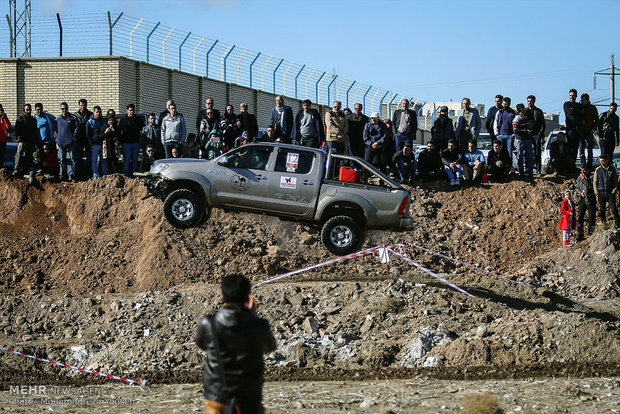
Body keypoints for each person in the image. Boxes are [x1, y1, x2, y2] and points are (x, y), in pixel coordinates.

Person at [195, 274, 276, 414]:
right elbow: (270, 347)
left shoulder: (209, 323)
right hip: (250, 399)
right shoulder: (260, 325)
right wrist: (252, 315)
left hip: (217, 397)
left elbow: (202, 344)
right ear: (248, 297)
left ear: (223, 298)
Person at [593, 154, 620, 229]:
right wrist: (596, 193)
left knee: (614, 209)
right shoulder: (597, 170)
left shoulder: (612, 170)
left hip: (609, 193)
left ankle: (618, 224)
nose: (602, 163)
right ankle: (604, 225)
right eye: (600, 161)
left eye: (603, 161)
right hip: (601, 193)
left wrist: (613, 192)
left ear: (607, 161)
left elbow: (615, 182)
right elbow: (595, 182)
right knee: (602, 210)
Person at [13, 103, 38, 181]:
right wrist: (20, 141)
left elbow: (35, 131)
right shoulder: (20, 119)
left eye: (30, 110)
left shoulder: (33, 119)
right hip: (22, 141)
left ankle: (26, 170)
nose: (28, 111)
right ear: (24, 110)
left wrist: (34, 142)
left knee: (30, 156)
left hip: (31, 141)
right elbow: (17, 131)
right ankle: (16, 170)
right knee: (20, 152)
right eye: (27, 110)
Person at [119, 104, 144, 178]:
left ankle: (134, 177)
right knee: (126, 161)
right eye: (130, 110)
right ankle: (126, 177)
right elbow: (119, 131)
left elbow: (143, 129)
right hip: (126, 143)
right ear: (127, 111)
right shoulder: (123, 120)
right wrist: (121, 141)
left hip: (136, 143)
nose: (131, 112)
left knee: (135, 161)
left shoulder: (138, 119)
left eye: (133, 110)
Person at [56, 102, 78, 181]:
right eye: (62, 109)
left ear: (68, 108)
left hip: (71, 142)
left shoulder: (72, 118)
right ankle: (64, 176)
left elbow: (77, 128)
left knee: (73, 159)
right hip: (61, 143)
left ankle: (73, 176)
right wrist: (57, 139)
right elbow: (55, 130)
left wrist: (73, 138)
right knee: (62, 159)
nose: (64, 110)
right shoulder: (58, 119)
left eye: (65, 108)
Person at [512, 103, 535, 178]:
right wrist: (525, 131)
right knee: (520, 157)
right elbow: (515, 130)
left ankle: (530, 173)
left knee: (530, 157)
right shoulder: (516, 119)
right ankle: (521, 173)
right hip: (520, 140)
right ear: (521, 109)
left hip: (527, 139)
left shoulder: (525, 117)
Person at [525, 95, 546, 174]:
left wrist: (541, 134)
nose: (529, 103)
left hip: (537, 134)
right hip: (527, 135)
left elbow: (543, 124)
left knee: (537, 152)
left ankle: (538, 169)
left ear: (534, 101)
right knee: (528, 152)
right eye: (528, 101)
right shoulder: (525, 111)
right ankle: (528, 169)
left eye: (531, 101)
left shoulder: (538, 111)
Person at [73, 99, 93, 180]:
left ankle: (89, 174)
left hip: (88, 138)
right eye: (81, 105)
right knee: (78, 157)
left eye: (84, 105)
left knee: (89, 157)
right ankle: (79, 175)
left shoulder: (90, 114)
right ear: (79, 105)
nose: (83, 107)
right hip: (79, 139)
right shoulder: (75, 115)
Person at [575, 166, 596, 241]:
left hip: (590, 199)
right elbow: (577, 188)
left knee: (591, 216)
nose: (583, 172)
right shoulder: (579, 177)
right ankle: (580, 233)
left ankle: (591, 232)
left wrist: (585, 180)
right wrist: (580, 193)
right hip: (582, 199)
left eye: (584, 170)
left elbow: (590, 187)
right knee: (580, 217)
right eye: (582, 170)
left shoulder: (592, 177)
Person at [563, 89, 583, 166]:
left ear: (576, 96)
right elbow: (570, 115)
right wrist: (578, 122)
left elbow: (581, 115)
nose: (572, 97)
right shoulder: (567, 104)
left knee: (575, 148)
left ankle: (573, 163)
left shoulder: (579, 105)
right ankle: (569, 164)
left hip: (577, 130)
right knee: (570, 147)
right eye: (570, 95)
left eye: (573, 95)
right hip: (570, 129)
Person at [86, 106, 107, 178]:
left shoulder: (103, 121)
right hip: (94, 145)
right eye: (97, 112)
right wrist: (91, 143)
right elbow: (88, 134)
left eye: (99, 112)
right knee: (94, 160)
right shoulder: (90, 122)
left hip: (102, 144)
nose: (98, 113)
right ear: (94, 112)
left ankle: (104, 175)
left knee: (103, 160)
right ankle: (95, 174)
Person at [579, 93, 599, 169]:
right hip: (581, 131)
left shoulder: (592, 108)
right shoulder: (580, 108)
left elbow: (596, 119)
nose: (582, 102)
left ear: (587, 100)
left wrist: (593, 128)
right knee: (581, 148)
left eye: (584, 100)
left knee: (590, 149)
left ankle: (589, 164)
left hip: (589, 130)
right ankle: (583, 164)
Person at [0, 104, 10, 169]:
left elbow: (8, 126)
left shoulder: (3, 118)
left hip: (2, 140)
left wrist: (4, 117)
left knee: (1, 157)